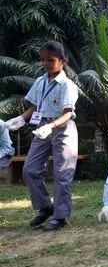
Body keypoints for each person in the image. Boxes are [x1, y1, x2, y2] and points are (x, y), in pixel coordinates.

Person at [5, 41, 79, 231]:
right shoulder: (40, 81)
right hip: (42, 127)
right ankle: (46, 207)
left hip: (63, 128)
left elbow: (68, 113)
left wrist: (52, 126)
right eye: (42, 60)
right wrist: (21, 118)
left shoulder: (67, 85)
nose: (46, 63)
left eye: (50, 60)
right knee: (29, 169)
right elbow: (35, 106)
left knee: (62, 174)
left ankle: (61, 217)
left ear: (63, 61)